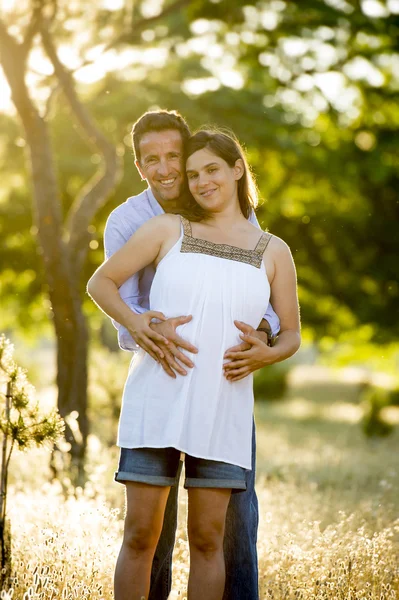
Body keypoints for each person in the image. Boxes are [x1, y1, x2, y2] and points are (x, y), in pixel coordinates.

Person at [88, 126, 301, 599]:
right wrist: (138, 323)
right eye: (193, 173)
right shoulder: (162, 227)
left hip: (223, 404)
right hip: (157, 395)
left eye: (211, 170)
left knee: (210, 541)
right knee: (141, 535)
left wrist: (268, 352)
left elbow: (290, 332)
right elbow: (101, 283)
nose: (200, 181)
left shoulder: (273, 249)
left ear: (238, 169)